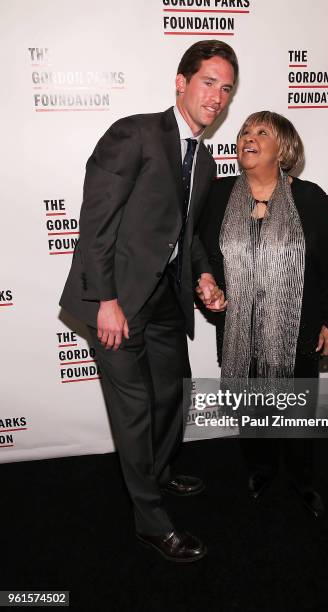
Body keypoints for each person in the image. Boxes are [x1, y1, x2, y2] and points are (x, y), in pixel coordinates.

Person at [60, 40, 238, 562]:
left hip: (165, 301)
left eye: (226, 88)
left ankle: (159, 473)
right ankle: (150, 521)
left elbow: (187, 233)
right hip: (116, 301)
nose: (217, 97)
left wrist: (203, 273)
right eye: (208, 82)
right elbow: (95, 226)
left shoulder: (202, 160)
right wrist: (105, 300)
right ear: (180, 82)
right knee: (135, 413)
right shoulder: (134, 134)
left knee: (173, 397)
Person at [198, 111, 328, 517]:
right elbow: (204, 255)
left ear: (284, 149)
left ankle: (302, 479)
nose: (249, 136)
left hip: (296, 327)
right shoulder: (218, 195)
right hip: (238, 329)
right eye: (245, 130)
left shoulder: (310, 198)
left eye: (262, 132)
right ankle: (260, 468)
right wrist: (207, 288)